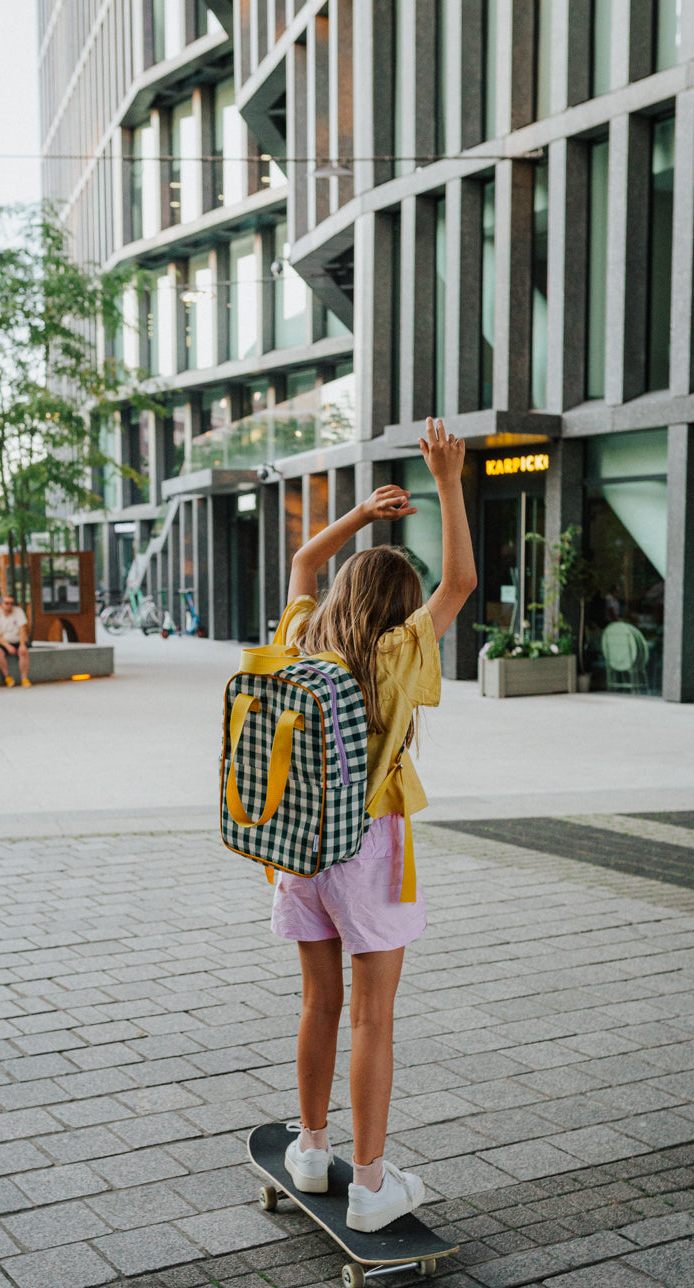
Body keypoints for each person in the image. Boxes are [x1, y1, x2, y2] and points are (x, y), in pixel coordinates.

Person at [274, 418, 476, 1234]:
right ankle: (368, 1188)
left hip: (297, 847)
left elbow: (301, 562)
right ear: (396, 605)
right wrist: (448, 481)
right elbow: (459, 582)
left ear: (342, 595)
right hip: (369, 850)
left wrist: (361, 517)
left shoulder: (299, 636)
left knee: (319, 1002)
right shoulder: (397, 653)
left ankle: (313, 1151)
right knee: (374, 1016)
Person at [0, 594, 32, 687]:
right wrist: (7, 646)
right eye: (7, 603)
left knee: (24, 652)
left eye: (11, 603)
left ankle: (24, 678)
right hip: (4, 642)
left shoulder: (18, 612)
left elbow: (22, 628)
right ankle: (7, 677)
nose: (9, 605)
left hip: (17, 640)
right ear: (2, 604)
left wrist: (22, 644)